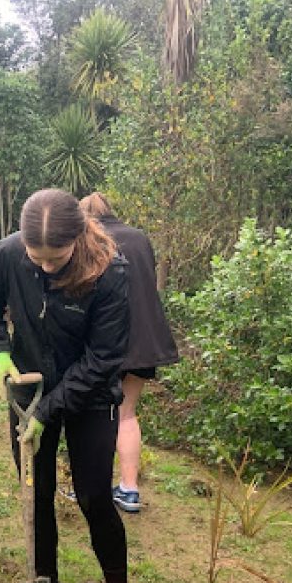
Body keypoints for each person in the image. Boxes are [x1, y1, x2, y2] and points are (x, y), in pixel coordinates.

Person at [0, 187, 140, 583]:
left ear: (78, 237)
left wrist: (50, 407)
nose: (46, 267)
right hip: (28, 386)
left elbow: (105, 356)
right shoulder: (7, 254)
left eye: (57, 258)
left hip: (89, 394)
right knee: (36, 489)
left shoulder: (108, 271)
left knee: (92, 495)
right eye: (37, 258)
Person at [80, 193, 179, 513]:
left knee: (92, 416)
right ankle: (129, 489)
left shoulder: (89, 238)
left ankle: (90, 488)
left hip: (104, 343)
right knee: (126, 413)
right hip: (144, 341)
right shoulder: (139, 238)